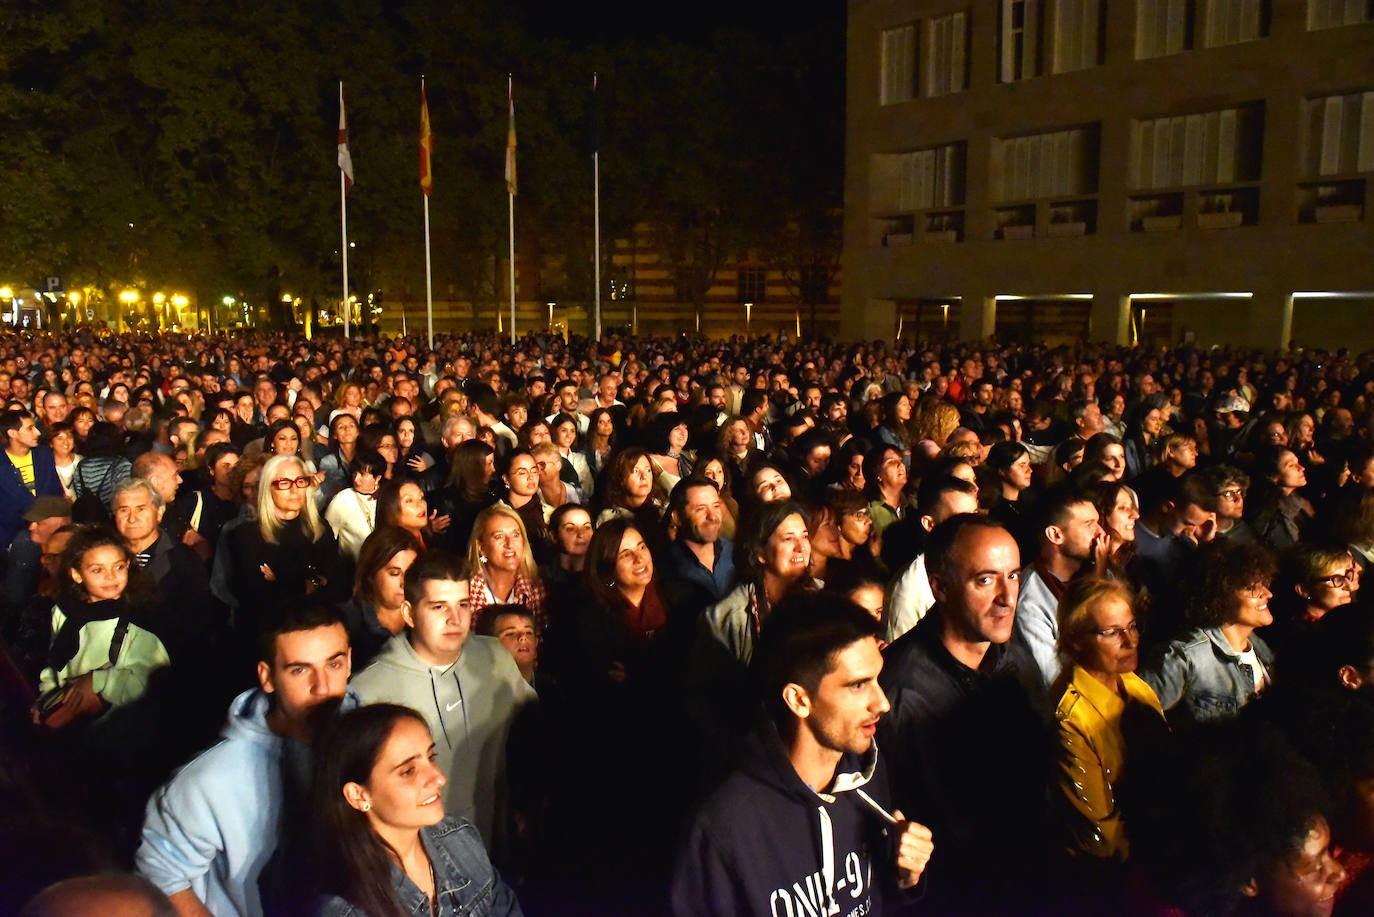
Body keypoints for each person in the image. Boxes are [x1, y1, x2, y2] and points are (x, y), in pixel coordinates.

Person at [670, 594, 933, 917]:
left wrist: (905, 880)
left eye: (877, 679)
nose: (882, 703)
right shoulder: (722, 828)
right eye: (857, 685)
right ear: (798, 700)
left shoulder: (867, 774)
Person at [135, 604, 358, 916]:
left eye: (333, 665)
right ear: (267, 677)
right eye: (300, 670)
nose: (322, 687)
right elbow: (162, 876)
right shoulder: (210, 779)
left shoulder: (377, 739)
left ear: (348, 661)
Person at [878, 515, 1051, 910]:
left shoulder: (1014, 658)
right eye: (986, 580)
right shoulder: (899, 691)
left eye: (1013, 576)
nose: (1008, 597)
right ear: (940, 587)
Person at [349, 550, 536, 855]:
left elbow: (533, 736)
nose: (455, 619)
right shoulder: (369, 690)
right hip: (421, 866)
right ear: (409, 613)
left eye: (463, 604)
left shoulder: (496, 658)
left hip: (500, 851)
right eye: (438, 607)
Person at [311, 703, 523, 917]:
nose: (439, 778)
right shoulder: (343, 909)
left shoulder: (460, 838)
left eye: (431, 757)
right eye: (408, 771)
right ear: (359, 795)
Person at [1050, 576, 1167, 861]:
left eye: (1132, 627)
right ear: (1076, 640)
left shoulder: (1135, 685)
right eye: (1112, 633)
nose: (1130, 641)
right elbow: (1100, 838)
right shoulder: (1072, 719)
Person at [33, 525, 170, 730]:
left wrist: (98, 681)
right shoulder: (65, 612)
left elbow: (152, 681)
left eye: (118, 567)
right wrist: (47, 700)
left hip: (121, 729)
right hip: (73, 728)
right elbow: (53, 663)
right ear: (77, 574)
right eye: (97, 570)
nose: (110, 576)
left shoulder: (139, 619)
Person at [1139, 540, 1277, 727]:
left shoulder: (1262, 649)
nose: (1268, 594)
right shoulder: (1184, 658)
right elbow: (1138, 724)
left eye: (1264, 584)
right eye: (1251, 588)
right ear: (1220, 594)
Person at [1014, 486, 1105, 688]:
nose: (1101, 532)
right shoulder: (1031, 602)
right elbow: (1053, 681)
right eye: (1089, 525)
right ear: (1055, 535)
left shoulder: (1093, 571)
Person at [337, 526, 422, 671]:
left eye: (410, 573)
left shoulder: (424, 619)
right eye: (394, 573)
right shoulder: (343, 624)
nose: (404, 583)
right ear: (371, 574)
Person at [464, 504, 548, 630]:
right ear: (481, 548)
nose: (509, 544)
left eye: (515, 535)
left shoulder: (538, 588)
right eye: (499, 536)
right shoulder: (465, 590)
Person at [0, 410, 63, 545]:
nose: (37, 432)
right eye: (30, 429)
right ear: (12, 433)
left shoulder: (44, 454)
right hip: (11, 538)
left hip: (47, 534)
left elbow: (55, 491)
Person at [323, 449, 385, 560]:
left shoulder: (388, 497)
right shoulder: (343, 499)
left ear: (377, 478)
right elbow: (326, 539)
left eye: (362, 474)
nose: (356, 479)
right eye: (355, 473)